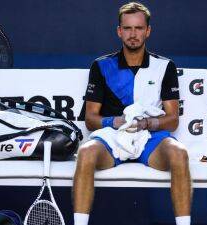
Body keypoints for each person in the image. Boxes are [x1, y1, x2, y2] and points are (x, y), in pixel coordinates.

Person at [72, 2, 192, 225]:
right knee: (86, 153)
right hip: (113, 135)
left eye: (138, 28)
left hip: (150, 138)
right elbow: (90, 119)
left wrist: (146, 124)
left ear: (148, 31)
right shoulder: (101, 66)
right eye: (127, 28)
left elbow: (172, 119)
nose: (133, 34)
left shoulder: (165, 66)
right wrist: (116, 121)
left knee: (179, 154)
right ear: (119, 31)